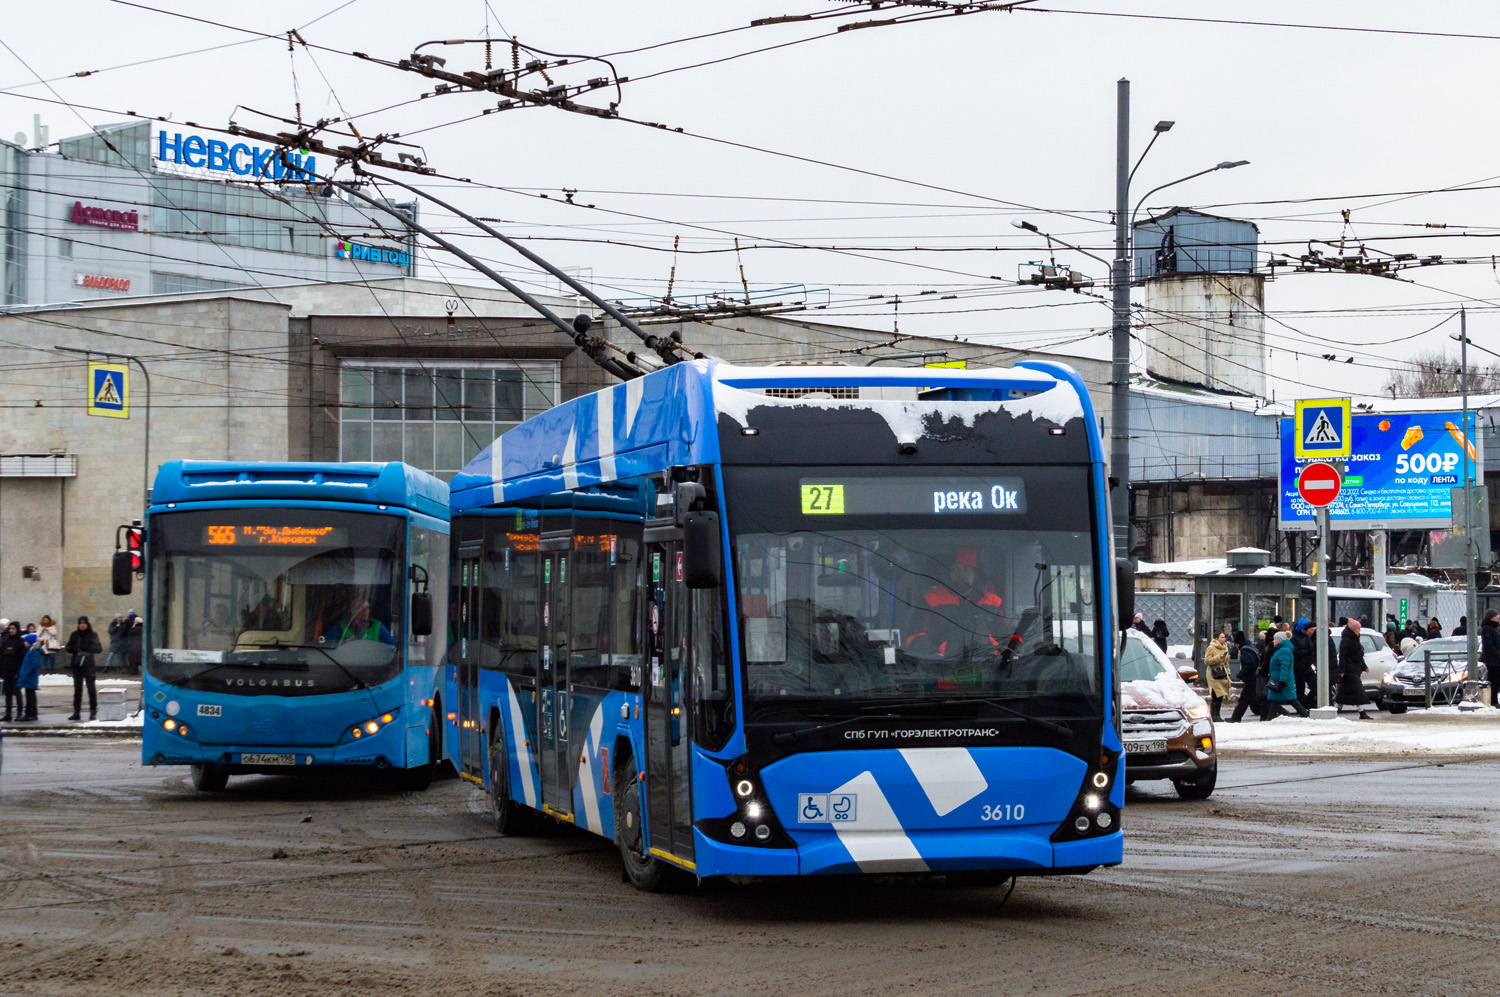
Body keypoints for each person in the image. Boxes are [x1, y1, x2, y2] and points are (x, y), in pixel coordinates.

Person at [65, 616, 103, 721]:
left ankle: (93, 711)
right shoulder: (74, 635)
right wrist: (75, 648)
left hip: (88, 665)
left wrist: (87, 648)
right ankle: (76, 712)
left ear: (87, 624)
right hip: (77, 665)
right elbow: (68, 648)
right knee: (77, 690)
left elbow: (99, 649)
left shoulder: (92, 635)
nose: (82, 625)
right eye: (80, 623)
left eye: (84, 623)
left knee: (91, 689)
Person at [1265, 630, 1310, 719]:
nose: (1273, 641)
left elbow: (1285, 667)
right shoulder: (1281, 650)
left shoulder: (1284, 650)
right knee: (1276, 700)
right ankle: (1269, 718)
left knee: (1290, 699)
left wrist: (1282, 680)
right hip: (1278, 679)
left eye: (1275, 639)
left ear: (1280, 640)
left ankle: (1304, 714)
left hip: (1282, 680)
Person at [1337, 617, 1374, 720]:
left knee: (1345, 692)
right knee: (1357, 691)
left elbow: (1359, 656)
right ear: (1353, 630)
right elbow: (1342, 656)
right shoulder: (1346, 640)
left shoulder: (1354, 640)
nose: (1360, 631)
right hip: (1349, 671)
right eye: (1358, 629)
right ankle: (1362, 712)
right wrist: (1342, 670)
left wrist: (1364, 666)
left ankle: (1336, 710)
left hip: (1354, 670)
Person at [321, 596, 396, 646]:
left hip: (372, 664)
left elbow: (393, 645)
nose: (365, 611)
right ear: (353, 610)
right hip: (346, 663)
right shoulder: (342, 626)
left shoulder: (377, 626)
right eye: (361, 608)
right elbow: (324, 642)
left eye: (367, 608)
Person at [1228, 632, 1264, 722]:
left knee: (1247, 699)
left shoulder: (1244, 650)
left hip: (1250, 678)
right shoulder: (1251, 647)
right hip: (1254, 677)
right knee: (1247, 698)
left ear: (1237, 643)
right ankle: (1236, 717)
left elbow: (1249, 664)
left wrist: (1240, 674)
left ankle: (1236, 718)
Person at [0, 621, 27, 721]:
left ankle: (19, 713)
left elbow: (23, 659)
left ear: (17, 630)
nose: (11, 631)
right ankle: (8, 714)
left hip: (16, 671)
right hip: (6, 671)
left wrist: (19, 671)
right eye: (10, 629)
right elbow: (2, 656)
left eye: (13, 629)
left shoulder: (20, 642)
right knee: (7, 693)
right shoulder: (6, 642)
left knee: (17, 692)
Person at [1291, 618, 1317, 709]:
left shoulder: (1307, 637)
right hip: (1299, 667)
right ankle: (1301, 708)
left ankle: (1306, 705)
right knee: (1300, 690)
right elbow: (1294, 652)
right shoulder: (1294, 638)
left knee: (1315, 688)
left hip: (1308, 666)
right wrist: (1306, 652)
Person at [16, 636, 40, 720]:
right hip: (28, 677)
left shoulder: (33, 652)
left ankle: (32, 713)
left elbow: (34, 665)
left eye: (26, 641)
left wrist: (26, 673)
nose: (24, 643)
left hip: (29, 677)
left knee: (30, 695)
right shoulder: (30, 651)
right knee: (29, 694)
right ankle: (29, 713)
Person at [1479, 611, 1500, 695]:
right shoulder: (1488, 629)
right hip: (1493, 660)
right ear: (1491, 617)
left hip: (1496, 660)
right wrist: (1497, 653)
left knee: (1496, 681)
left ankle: (1494, 699)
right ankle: (1493, 700)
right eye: (1496, 616)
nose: (1498, 617)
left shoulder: (1494, 628)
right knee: (1494, 681)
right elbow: (1489, 645)